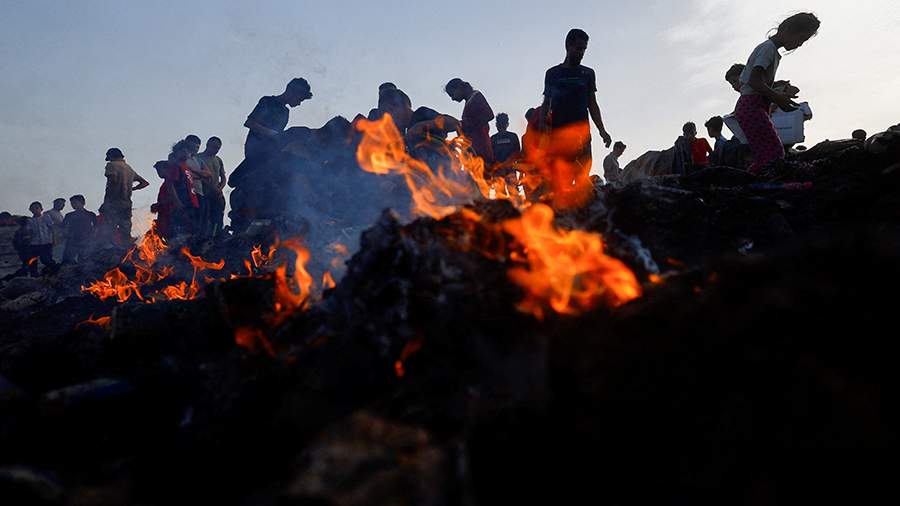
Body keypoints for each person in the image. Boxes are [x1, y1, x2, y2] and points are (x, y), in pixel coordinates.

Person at [735, 13, 821, 174]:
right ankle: (759, 184)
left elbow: (756, 82)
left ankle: (753, 181)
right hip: (751, 106)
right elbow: (754, 81)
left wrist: (779, 94)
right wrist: (778, 98)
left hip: (752, 106)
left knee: (766, 154)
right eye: (801, 38)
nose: (800, 44)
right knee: (774, 154)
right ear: (788, 29)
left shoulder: (770, 50)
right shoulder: (768, 49)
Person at [540, 29, 612, 207]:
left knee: (582, 182)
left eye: (584, 49)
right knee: (560, 183)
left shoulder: (588, 74)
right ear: (568, 46)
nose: (581, 53)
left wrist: (602, 130)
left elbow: (592, 104)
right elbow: (546, 103)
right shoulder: (553, 74)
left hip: (582, 137)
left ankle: (583, 222)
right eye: (578, 48)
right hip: (559, 137)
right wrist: (542, 128)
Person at [244, 78, 313, 160]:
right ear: (291, 92)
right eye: (299, 99)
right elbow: (249, 123)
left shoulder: (285, 112)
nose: (299, 104)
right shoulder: (267, 101)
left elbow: (279, 137)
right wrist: (273, 134)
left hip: (272, 151)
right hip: (255, 149)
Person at [99, 148, 149, 245]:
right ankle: (125, 252)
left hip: (113, 203)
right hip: (126, 204)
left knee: (109, 230)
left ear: (112, 156)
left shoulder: (111, 165)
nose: (108, 159)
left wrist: (106, 203)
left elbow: (112, 183)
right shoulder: (129, 168)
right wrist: (132, 189)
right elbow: (145, 183)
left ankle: (111, 252)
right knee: (125, 232)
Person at [445, 78, 495, 164]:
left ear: (459, 88)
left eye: (452, 94)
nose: (453, 99)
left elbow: (489, 115)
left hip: (481, 148)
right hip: (473, 149)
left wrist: (464, 124)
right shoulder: (469, 102)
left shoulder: (476, 96)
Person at [156, 140, 200, 239]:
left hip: (189, 204)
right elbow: (170, 185)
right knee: (178, 235)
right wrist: (178, 203)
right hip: (181, 205)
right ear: (178, 152)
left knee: (188, 233)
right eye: (185, 150)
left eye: (188, 151)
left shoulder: (185, 167)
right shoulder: (175, 167)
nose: (188, 153)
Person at [197, 137, 228, 238]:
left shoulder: (218, 160)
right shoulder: (198, 158)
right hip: (205, 195)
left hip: (218, 195)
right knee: (206, 219)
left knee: (218, 218)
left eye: (218, 148)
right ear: (208, 145)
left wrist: (220, 188)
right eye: (214, 147)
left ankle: (218, 237)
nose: (216, 150)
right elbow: (199, 177)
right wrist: (212, 188)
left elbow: (223, 177)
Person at [62, 195, 97, 264]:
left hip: (87, 240)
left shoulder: (90, 214)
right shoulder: (69, 215)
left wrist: (93, 237)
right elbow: (63, 227)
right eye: (72, 203)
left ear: (83, 203)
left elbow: (96, 227)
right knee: (67, 259)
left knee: (85, 260)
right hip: (72, 240)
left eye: (75, 203)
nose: (73, 205)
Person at [25, 202, 57, 276]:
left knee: (46, 259)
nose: (35, 210)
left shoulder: (46, 217)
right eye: (33, 209)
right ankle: (34, 275)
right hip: (34, 244)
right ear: (30, 210)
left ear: (41, 209)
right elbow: (29, 232)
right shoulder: (30, 221)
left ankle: (55, 270)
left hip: (46, 242)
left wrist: (54, 239)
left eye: (37, 208)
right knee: (33, 260)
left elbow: (52, 228)